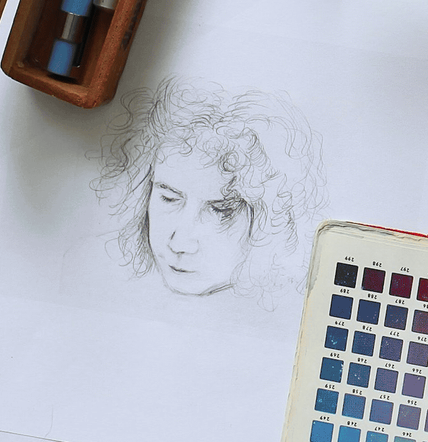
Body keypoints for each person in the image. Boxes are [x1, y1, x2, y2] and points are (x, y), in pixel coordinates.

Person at [93, 77, 324, 301]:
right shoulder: (93, 269)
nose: (179, 243)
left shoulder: (297, 301)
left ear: (271, 218)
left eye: (220, 210)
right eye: (169, 198)